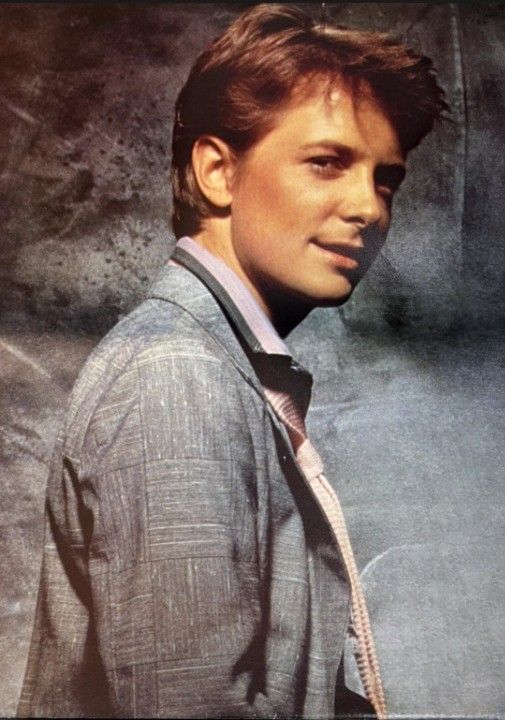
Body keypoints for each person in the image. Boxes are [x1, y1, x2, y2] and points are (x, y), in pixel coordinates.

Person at [17, 4, 447, 718]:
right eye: (327, 162)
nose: (367, 207)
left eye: (384, 180)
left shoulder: (217, 365)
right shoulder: (176, 375)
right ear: (217, 171)